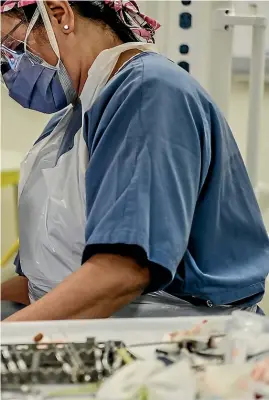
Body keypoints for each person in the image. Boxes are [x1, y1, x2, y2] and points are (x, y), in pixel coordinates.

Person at [1, 0, 269, 322]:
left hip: (174, 341)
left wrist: (12, 334)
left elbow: (122, 272)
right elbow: (43, 279)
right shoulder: (71, 121)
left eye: (12, 46)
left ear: (60, 15)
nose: (9, 68)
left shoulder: (148, 95)